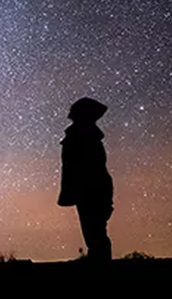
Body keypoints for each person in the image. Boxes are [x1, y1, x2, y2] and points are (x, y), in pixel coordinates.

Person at [58, 97, 113, 263]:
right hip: (91, 189)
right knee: (94, 232)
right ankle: (99, 262)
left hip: (91, 189)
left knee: (95, 232)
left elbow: (94, 168)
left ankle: (99, 265)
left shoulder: (83, 135)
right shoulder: (84, 135)